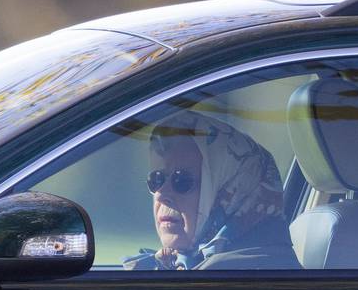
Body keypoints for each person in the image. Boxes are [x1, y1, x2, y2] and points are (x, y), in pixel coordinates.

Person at [123, 111, 300, 270]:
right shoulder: (197, 265)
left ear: (230, 194)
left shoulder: (245, 277)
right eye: (157, 179)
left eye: (181, 180)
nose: (161, 194)